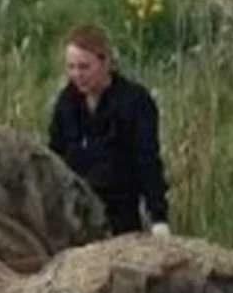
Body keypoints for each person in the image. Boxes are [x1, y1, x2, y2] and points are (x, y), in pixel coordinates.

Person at [48, 24, 172, 237]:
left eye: (84, 67)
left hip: (119, 215)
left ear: (105, 62)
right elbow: (54, 157)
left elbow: (148, 160)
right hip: (74, 214)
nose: (77, 75)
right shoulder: (67, 102)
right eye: (71, 67)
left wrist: (158, 217)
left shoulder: (135, 102)